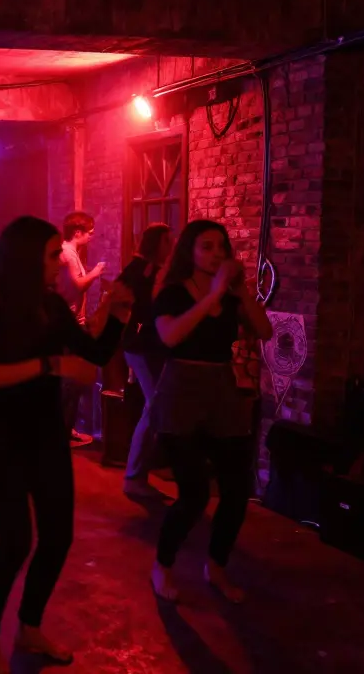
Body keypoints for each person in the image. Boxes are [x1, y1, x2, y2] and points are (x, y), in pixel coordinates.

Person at [0, 216, 132, 673]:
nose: (60, 262)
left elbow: (93, 354)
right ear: (25, 258)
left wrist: (117, 317)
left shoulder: (52, 306)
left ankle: (30, 628)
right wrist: (50, 365)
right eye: (52, 254)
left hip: (43, 430)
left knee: (58, 536)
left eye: (60, 252)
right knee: (16, 540)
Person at [149, 220, 272, 605]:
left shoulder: (230, 295)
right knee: (194, 494)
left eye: (222, 247)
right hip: (181, 392)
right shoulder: (171, 293)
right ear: (190, 251)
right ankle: (163, 564)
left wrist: (241, 293)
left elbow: (265, 331)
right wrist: (212, 296)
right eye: (207, 246)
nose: (217, 253)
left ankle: (216, 568)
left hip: (222, 393)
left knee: (236, 491)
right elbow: (171, 336)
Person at [117, 223, 175, 499]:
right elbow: (135, 305)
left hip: (144, 346)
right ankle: (133, 476)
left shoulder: (146, 269)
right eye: (167, 242)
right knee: (154, 406)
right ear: (156, 244)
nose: (172, 246)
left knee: (154, 406)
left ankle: (138, 473)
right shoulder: (142, 270)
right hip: (141, 347)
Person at [55, 211, 106, 447]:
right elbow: (77, 285)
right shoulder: (69, 254)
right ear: (78, 233)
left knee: (72, 380)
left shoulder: (68, 252)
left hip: (71, 323)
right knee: (70, 381)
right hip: (69, 325)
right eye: (90, 233)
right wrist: (96, 272)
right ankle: (62, 433)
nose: (91, 238)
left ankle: (68, 428)